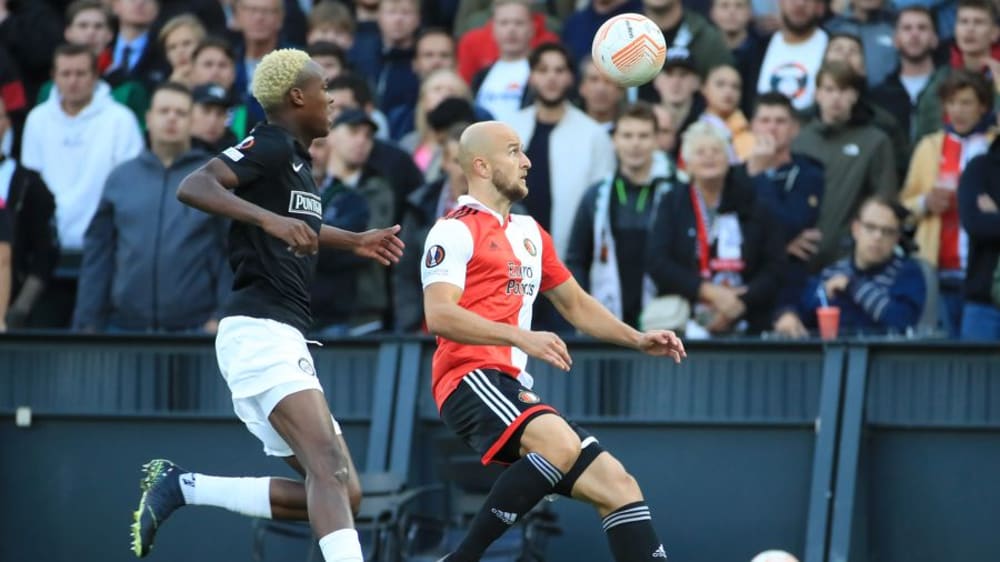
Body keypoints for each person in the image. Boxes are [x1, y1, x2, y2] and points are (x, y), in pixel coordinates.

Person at [129, 49, 405, 562]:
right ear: (296, 96)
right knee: (328, 468)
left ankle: (184, 487)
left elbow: (300, 225)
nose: (332, 98)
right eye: (324, 88)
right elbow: (196, 185)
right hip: (259, 328)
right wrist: (267, 221)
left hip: (280, 333)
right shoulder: (272, 145)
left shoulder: (297, 162)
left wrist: (355, 241)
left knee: (344, 490)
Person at [422, 120, 686, 561]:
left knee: (618, 486)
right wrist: (520, 336)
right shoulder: (452, 230)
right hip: (468, 377)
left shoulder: (529, 232)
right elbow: (440, 314)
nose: (526, 162)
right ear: (482, 166)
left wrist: (638, 339)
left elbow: (576, 305)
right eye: (514, 152)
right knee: (560, 445)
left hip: (509, 381)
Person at [72, 83, 226, 333]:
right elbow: (99, 255)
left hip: (197, 331)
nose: (172, 118)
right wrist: (88, 322)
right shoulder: (121, 178)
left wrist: (224, 315)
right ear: (149, 118)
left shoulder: (213, 178)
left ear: (191, 122)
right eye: (164, 111)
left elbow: (233, 253)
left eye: (181, 113)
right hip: (124, 329)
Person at [646, 122, 784, 337]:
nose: (709, 157)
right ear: (687, 164)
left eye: (716, 151)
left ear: (729, 159)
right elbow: (657, 262)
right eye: (700, 152)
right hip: (685, 320)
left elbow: (775, 266)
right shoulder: (672, 202)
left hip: (746, 319)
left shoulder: (753, 202)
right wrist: (708, 292)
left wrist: (739, 302)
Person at [566, 102, 679, 328]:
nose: (635, 144)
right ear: (614, 140)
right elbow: (576, 260)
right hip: (605, 324)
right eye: (627, 135)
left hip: (664, 322)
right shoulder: (595, 196)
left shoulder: (677, 192)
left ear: (657, 140)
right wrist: (584, 311)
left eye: (643, 136)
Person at [773, 196, 925, 336]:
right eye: (870, 227)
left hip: (884, 361)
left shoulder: (908, 272)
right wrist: (789, 315)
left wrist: (853, 286)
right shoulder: (832, 272)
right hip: (833, 360)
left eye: (887, 231)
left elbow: (903, 321)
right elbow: (803, 306)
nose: (877, 237)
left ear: (897, 238)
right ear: (856, 229)